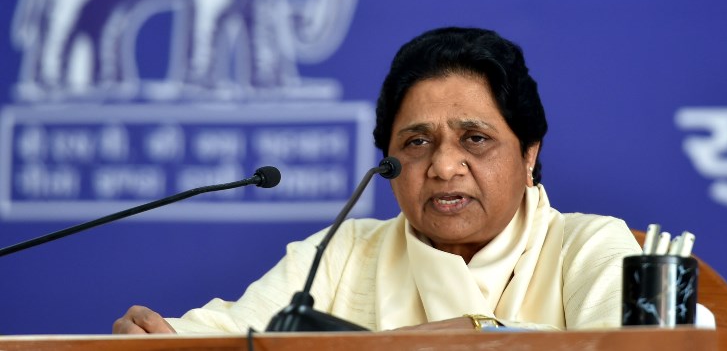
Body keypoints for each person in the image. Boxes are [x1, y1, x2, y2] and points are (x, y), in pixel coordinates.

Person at [113, 26, 642, 334]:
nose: (443, 166)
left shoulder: (587, 245)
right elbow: (237, 333)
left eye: (475, 139)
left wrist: (472, 333)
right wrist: (163, 338)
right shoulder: (344, 252)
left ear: (529, 154)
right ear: (388, 161)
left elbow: (629, 348)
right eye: (417, 142)